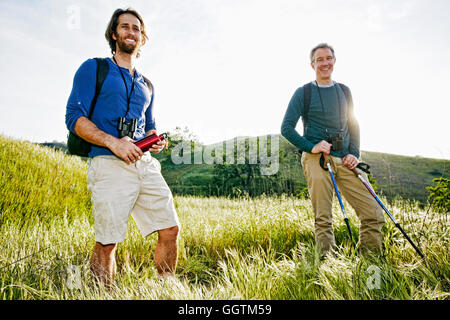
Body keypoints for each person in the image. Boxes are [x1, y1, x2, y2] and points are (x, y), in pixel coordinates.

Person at [65, 8, 180, 285]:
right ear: (114, 34)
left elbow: (148, 125)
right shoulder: (94, 68)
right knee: (108, 241)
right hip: (107, 162)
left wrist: (155, 139)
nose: (131, 32)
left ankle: (165, 287)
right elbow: (74, 118)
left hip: (144, 164)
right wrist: (113, 143)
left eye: (137, 28)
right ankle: (101, 293)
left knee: (170, 228)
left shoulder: (147, 85)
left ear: (142, 38)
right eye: (125, 27)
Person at [281, 43, 385, 257]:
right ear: (312, 65)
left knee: (373, 213)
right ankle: (329, 269)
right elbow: (286, 128)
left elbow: (354, 124)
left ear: (334, 61)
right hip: (316, 159)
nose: (325, 63)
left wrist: (354, 154)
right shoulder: (304, 92)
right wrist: (312, 146)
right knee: (324, 217)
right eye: (319, 60)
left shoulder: (345, 91)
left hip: (345, 160)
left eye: (328, 58)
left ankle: (371, 264)